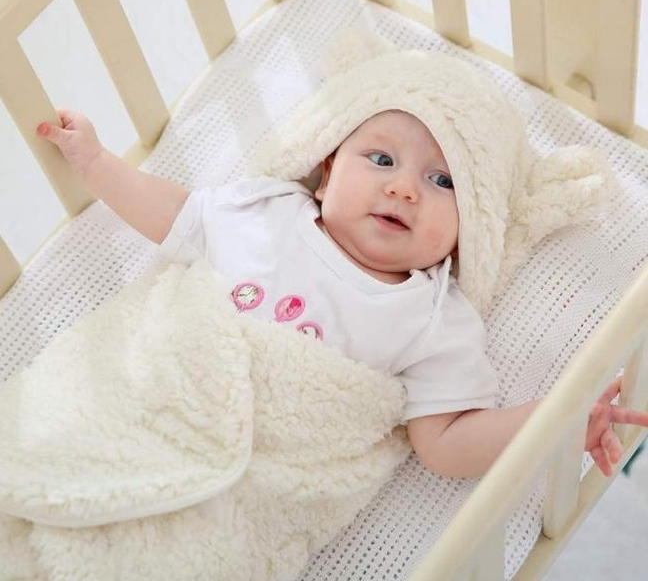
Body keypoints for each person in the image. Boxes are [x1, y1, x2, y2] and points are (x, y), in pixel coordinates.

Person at [36, 105, 648, 481]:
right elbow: (176, 214)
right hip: (151, 390)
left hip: (255, 458)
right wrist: (95, 163)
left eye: (442, 181)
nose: (404, 188)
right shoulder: (269, 211)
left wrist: (552, 421)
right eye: (381, 158)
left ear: (471, 230)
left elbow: (446, 443)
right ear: (326, 173)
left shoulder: (433, 317)